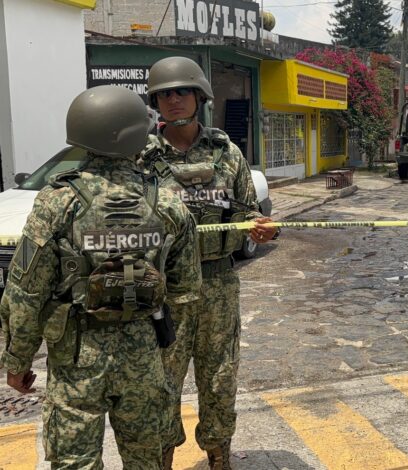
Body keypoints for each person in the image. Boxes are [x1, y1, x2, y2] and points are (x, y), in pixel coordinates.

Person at [0, 85, 202, 468]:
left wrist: (18, 360)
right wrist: (164, 350)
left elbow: (26, 292)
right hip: (144, 354)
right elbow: (187, 290)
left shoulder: (57, 202)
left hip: (77, 358)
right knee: (146, 460)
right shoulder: (168, 203)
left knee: (75, 462)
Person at [141, 56, 278, 470]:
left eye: (182, 91)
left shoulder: (227, 153)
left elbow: (246, 210)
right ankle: (161, 459)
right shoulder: (141, 158)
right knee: (160, 383)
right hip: (164, 291)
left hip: (217, 285)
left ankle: (219, 458)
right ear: (155, 102)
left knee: (220, 379)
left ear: (199, 96)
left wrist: (258, 227)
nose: (174, 100)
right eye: (165, 94)